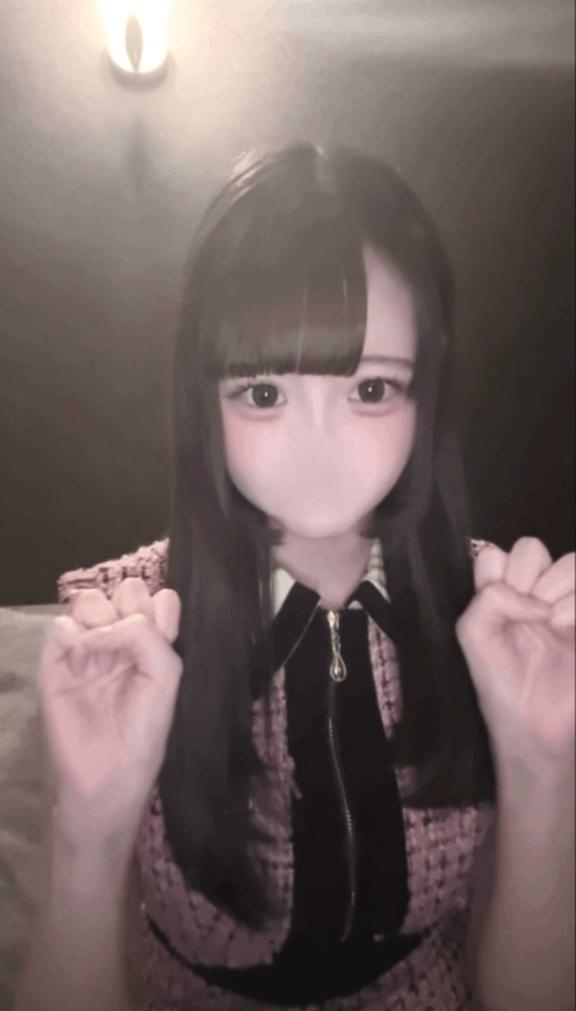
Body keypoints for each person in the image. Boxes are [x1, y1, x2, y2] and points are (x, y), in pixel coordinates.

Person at [16, 144, 575, 1011]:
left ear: (426, 394)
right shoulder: (123, 635)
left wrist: (544, 764)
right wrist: (87, 830)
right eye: (265, 394)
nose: (321, 449)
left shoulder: (498, 616)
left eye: (372, 390)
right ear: (204, 400)